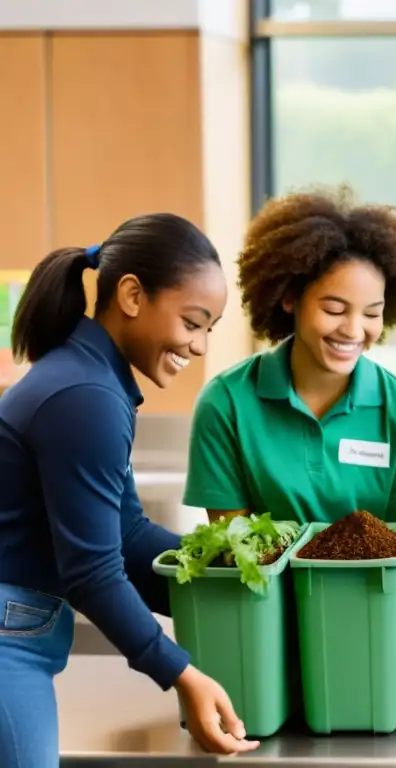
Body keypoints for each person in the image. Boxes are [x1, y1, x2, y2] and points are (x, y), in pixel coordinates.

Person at [0, 214, 259, 767]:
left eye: (210, 329)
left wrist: (227, 583)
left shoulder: (89, 380)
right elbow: (93, 573)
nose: (199, 346)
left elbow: (127, 532)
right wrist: (179, 672)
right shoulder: (85, 396)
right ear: (133, 295)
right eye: (193, 322)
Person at [182, 186, 396, 525]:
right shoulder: (226, 404)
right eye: (335, 309)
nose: (354, 331)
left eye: (371, 314)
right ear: (289, 298)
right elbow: (235, 548)